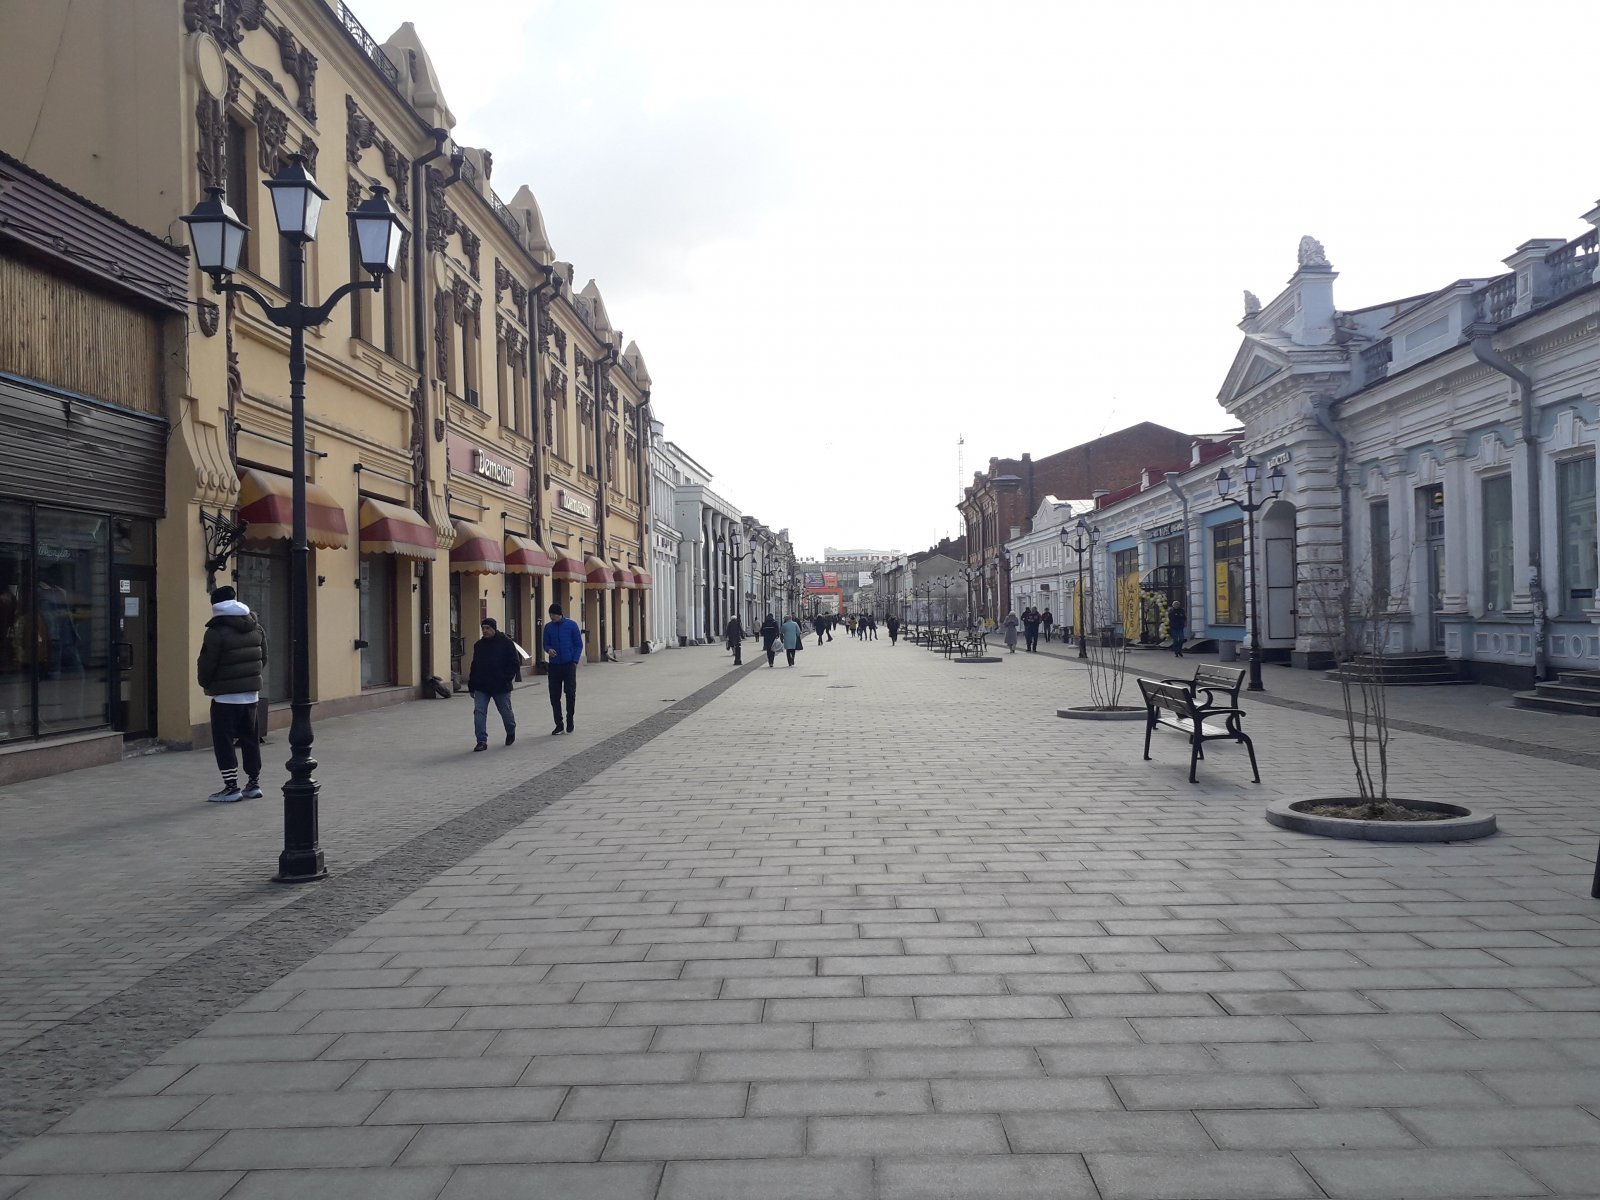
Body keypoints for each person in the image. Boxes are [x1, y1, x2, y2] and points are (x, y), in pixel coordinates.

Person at [195, 585, 266, 803]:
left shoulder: (215, 632)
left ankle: (231, 786)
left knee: (224, 740)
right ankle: (253, 783)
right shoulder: (256, 627)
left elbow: (207, 665)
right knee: (250, 739)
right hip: (251, 696)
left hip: (225, 697)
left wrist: (206, 684)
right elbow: (263, 658)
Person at [467, 616, 519, 750]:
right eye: (483, 628)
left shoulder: (506, 643)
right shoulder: (479, 645)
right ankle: (481, 741)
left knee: (506, 712)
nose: (485, 631)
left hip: (501, 686)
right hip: (482, 686)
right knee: (479, 712)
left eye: (487, 628)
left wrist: (505, 678)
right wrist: (471, 686)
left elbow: (514, 663)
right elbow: (474, 666)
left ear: (494, 629)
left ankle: (510, 731)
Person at [542, 603, 583, 734]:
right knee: (554, 695)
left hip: (569, 664)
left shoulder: (571, 625)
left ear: (559, 614)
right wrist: (549, 649)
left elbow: (578, 644)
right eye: (550, 615)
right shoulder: (548, 627)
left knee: (570, 693)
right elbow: (545, 643)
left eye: (553, 615)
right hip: (554, 665)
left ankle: (570, 718)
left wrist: (574, 661)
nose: (551, 617)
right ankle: (559, 724)